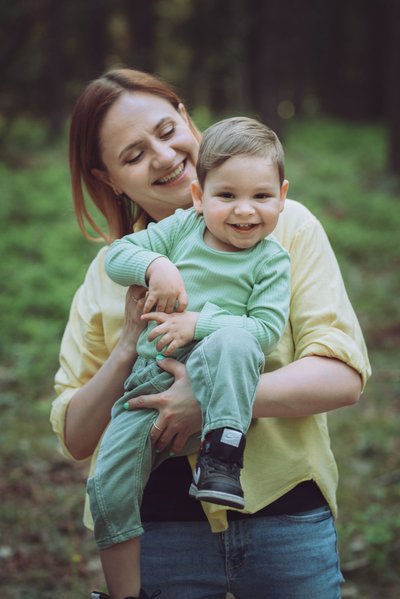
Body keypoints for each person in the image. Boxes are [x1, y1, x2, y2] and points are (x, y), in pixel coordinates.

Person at [50, 68, 371, 599]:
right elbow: (76, 435)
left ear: (186, 118)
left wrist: (207, 398)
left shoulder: (287, 228)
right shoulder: (110, 272)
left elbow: (342, 377)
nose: (162, 155)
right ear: (108, 178)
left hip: (283, 515)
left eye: (165, 128)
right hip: (159, 534)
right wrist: (127, 347)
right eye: (132, 155)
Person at [88, 116, 291, 598]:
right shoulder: (181, 229)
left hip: (218, 379)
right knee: (106, 486)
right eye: (226, 196)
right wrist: (157, 264)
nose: (245, 211)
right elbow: (117, 257)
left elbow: (262, 332)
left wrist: (197, 322)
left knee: (236, 339)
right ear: (199, 197)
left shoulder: (270, 260)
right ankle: (124, 594)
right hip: (146, 389)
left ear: (282, 195)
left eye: (261, 197)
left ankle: (222, 458)